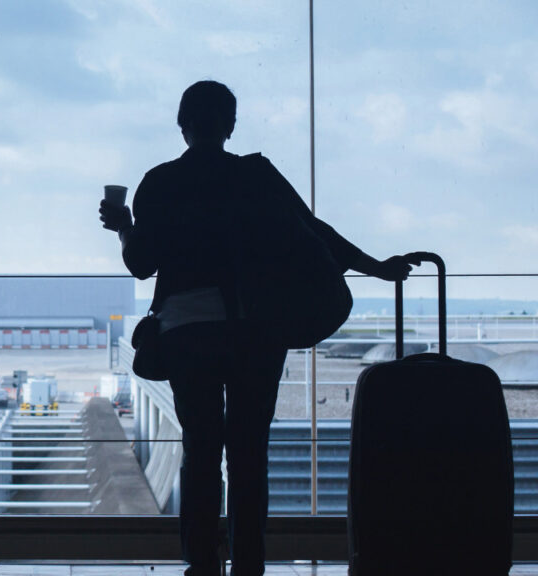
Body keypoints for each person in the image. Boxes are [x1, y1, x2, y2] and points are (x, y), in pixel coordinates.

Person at [98, 80, 413, 576]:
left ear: (183, 125)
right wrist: (377, 267)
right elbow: (315, 234)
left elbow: (140, 264)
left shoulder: (160, 181)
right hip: (255, 330)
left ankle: (202, 563)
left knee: (200, 450)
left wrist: (122, 224)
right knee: (249, 454)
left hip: (188, 331)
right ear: (230, 125)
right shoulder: (257, 176)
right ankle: (249, 564)